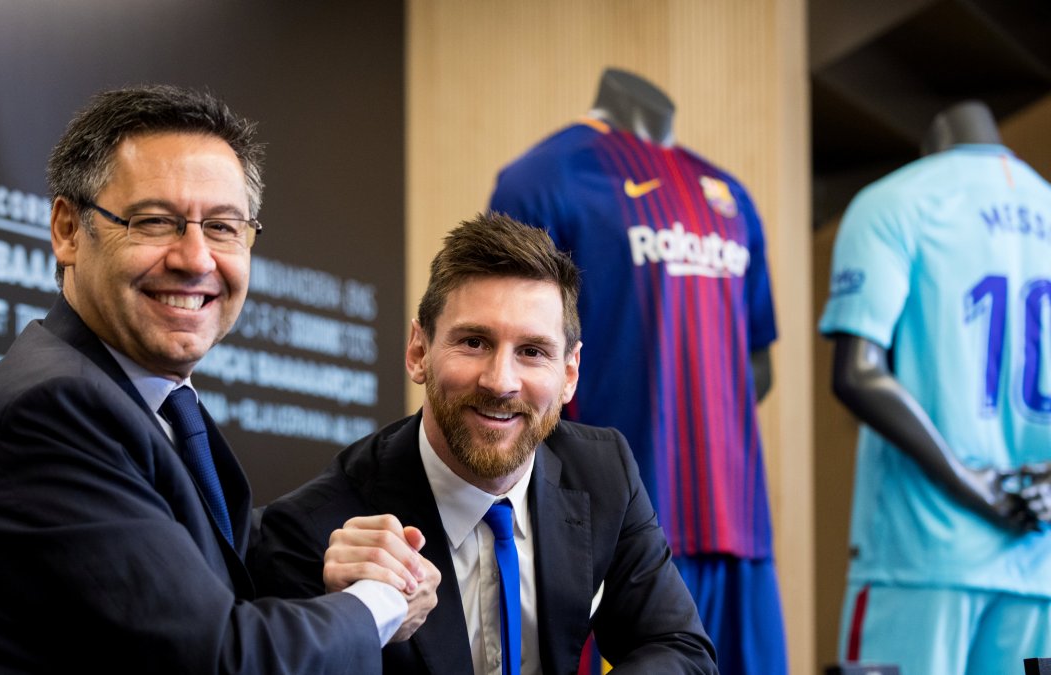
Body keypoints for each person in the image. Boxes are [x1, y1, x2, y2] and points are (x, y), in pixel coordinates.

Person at [0, 84, 439, 674]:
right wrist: (382, 601)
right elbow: (224, 660)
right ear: (68, 231)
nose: (197, 259)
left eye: (224, 227)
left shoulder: (148, 397)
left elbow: (218, 570)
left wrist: (341, 562)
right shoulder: (49, 413)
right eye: (155, 222)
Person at [254, 212, 718, 674]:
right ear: (419, 352)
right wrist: (352, 616)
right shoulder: (314, 530)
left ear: (569, 374)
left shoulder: (603, 471)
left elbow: (680, 649)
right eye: (474, 342)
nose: (500, 382)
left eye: (532, 352)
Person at [487, 68, 785, 674]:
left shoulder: (729, 195)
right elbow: (514, 346)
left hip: (738, 528)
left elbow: (757, 361)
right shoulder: (544, 179)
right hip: (616, 533)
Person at [820, 99, 1051, 674]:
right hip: (1039, 558)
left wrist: (976, 483)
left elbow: (856, 372)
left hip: (920, 555)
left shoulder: (893, 201)